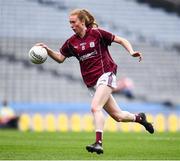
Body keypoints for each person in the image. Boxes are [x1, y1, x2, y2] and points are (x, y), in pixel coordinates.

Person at [36, 9, 154, 154]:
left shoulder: (96, 34)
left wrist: (131, 52)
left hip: (106, 74)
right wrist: (47, 50)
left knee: (95, 108)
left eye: (74, 22)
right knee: (118, 116)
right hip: (92, 83)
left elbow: (121, 39)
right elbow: (60, 58)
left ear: (82, 21)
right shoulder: (71, 42)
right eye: (70, 23)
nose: (71, 25)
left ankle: (98, 143)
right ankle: (140, 118)